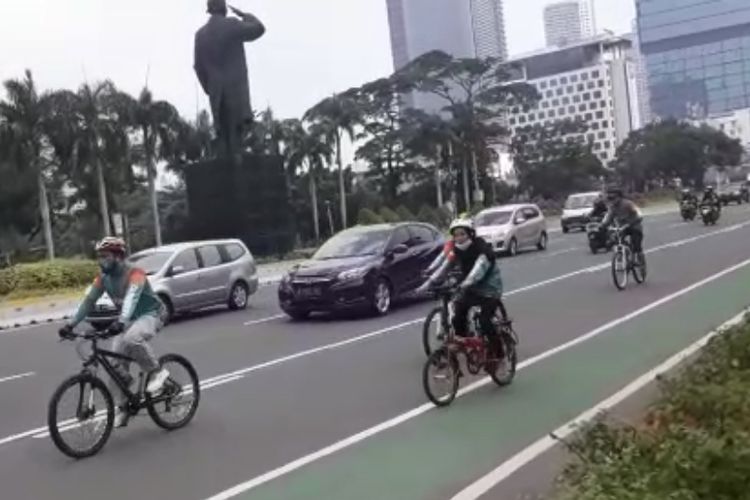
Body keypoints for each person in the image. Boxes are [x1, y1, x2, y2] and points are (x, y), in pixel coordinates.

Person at [58, 237, 168, 427]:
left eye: (105, 256)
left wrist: (121, 322)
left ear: (118, 256)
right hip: (127, 319)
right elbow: (88, 302)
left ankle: (157, 373)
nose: (101, 261)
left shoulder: (135, 273)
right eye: (99, 257)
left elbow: (131, 299)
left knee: (133, 338)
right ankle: (124, 408)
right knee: (115, 368)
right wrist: (70, 324)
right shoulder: (104, 278)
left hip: (151, 314)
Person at [418, 218, 507, 358]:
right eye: (456, 235)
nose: (458, 238)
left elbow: (477, 272)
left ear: (471, 234)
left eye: (462, 234)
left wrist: (463, 285)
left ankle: (498, 351)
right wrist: (427, 284)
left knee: (485, 321)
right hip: (472, 289)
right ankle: (463, 342)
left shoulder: (482, 249)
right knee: (458, 311)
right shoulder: (456, 250)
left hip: (490, 290)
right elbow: (444, 267)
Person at [194, 0, 265, 157]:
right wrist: (245, 15)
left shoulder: (200, 35)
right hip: (235, 87)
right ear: (223, 7)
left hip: (216, 90)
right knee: (236, 131)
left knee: (224, 131)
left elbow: (198, 66)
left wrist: (209, 87)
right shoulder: (231, 25)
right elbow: (259, 29)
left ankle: (228, 156)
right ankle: (237, 158)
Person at [599, 186, 644, 254]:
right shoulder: (612, 207)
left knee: (636, 245)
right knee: (616, 240)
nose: (611, 200)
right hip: (622, 228)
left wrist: (636, 220)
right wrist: (603, 225)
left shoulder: (628, 203)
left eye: (613, 198)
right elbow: (608, 217)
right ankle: (624, 253)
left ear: (619, 196)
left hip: (634, 226)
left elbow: (638, 213)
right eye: (609, 198)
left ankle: (639, 257)